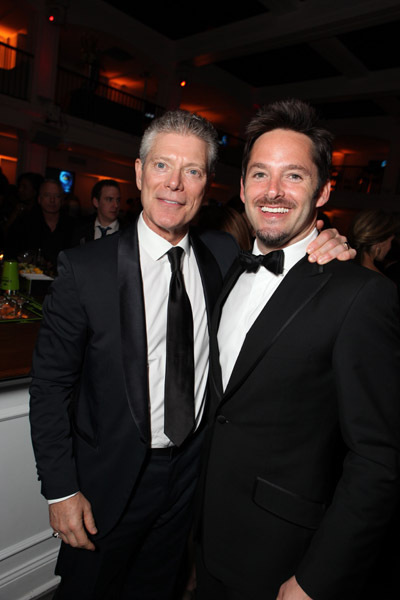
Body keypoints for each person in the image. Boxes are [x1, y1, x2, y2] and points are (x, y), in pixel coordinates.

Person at [29, 109, 353, 600]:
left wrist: (325, 241)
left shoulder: (224, 255)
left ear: (209, 185)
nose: (175, 185)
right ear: (139, 172)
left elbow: (284, 261)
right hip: (107, 485)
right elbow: (51, 386)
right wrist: (60, 489)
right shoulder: (84, 270)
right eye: (162, 166)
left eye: (193, 171)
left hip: (192, 482)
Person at [197, 99, 400, 600]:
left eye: (294, 176)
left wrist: (317, 579)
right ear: (241, 188)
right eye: (260, 175)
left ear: (324, 189)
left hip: (284, 557)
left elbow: (378, 459)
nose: (273, 192)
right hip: (204, 536)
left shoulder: (361, 294)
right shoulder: (225, 270)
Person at [5, 179, 75, 268]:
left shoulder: (72, 226)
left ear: (62, 200)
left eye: (57, 196)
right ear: (39, 199)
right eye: (47, 195)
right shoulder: (24, 223)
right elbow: (11, 253)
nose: (52, 200)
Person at [72, 179, 122, 245]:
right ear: (96, 202)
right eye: (109, 199)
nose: (116, 205)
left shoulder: (128, 232)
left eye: (118, 200)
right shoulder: (80, 229)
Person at [348, 208, 398, 273]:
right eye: (390, 241)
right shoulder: (379, 281)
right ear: (381, 242)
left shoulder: (339, 268)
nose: (390, 247)